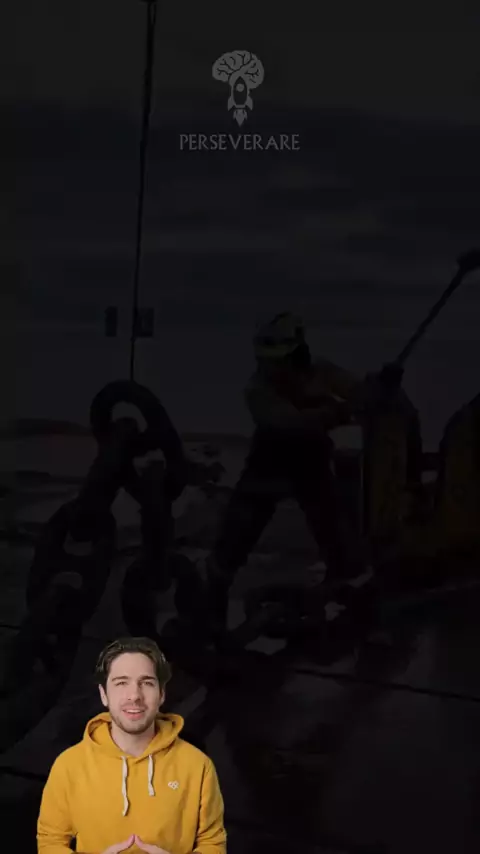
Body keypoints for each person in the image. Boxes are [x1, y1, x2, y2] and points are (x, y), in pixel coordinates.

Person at [203, 312, 405, 640]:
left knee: (336, 536)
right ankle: (212, 609)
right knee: (236, 536)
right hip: (268, 465)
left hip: (311, 464)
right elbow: (291, 422)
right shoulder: (256, 390)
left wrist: (381, 387)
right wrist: (339, 412)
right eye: (265, 362)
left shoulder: (322, 372)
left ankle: (352, 597)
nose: (270, 369)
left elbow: (359, 393)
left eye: (276, 362)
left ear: (295, 355)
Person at [37, 636, 227, 854]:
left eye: (146, 683)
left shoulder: (197, 765)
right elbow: (50, 842)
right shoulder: (69, 765)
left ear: (162, 694)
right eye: (121, 683)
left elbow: (213, 842)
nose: (134, 695)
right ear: (103, 694)